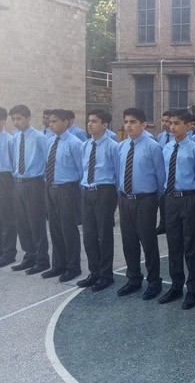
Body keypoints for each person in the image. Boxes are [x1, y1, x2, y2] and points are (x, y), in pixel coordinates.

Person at [158, 110, 195, 308]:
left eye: (177, 123)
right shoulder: (167, 148)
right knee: (174, 244)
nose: (172, 127)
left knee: (191, 246)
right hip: (171, 199)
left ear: (188, 126)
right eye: (170, 123)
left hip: (189, 198)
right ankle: (176, 285)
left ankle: (193, 290)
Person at [117, 108, 166, 300]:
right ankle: (133, 278)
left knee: (148, 242)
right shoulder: (122, 146)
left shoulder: (152, 146)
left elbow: (161, 176)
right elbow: (119, 173)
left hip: (145, 200)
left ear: (144, 124)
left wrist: (153, 198)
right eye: (126, 121)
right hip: (125, 199)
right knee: (129, 242)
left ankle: (154, 281)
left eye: (133, 122)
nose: (128, 125)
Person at [77, 109, 119, 291]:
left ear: (105, 125)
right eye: (89, 121)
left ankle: (105, 274)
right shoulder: (85, 146)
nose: (89, 124)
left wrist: (114, 198)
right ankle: (94, 272)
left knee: (104, 234)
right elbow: (83, 170)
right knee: (89, 235)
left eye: (94, 121)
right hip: (87, 191)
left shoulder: (113, 146)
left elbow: (118, 173)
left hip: (104, 192)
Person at [40, 109, 83, 282]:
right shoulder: (50, 141)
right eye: (50, 121)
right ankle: (58, 265)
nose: (51, 124)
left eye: (55, 121)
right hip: (51, 188)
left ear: (66, 122)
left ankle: (73, 267)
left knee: (69, 229)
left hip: (67, 190)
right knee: (55, 228)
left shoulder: (75, 143)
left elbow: (82, 170)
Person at [10, 104, 50, 274]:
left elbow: (48, 160)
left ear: (28, 118)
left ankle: (42, 259)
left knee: (36, 221)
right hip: (18, 183)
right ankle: (30, 255)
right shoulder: (15, 137)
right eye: (13, 119)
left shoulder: (40, 137)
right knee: (22, 222)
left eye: (19, 118)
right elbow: (15, 160)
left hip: (34, 183)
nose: (16, 122)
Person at [0, 107, 17, 267]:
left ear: (3, 122)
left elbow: (15, 165)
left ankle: (9, 252)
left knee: (7, 217)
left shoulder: (10, 140)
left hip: (5, 179)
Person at [155, 111, 173, 235]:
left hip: (173, 171)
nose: (164, 123)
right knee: (162, 200)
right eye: (163, 121)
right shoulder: (160, 137)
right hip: (163, 172)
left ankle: (171, 224)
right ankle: (163, 223)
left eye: (167, 121)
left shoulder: (177, 137)